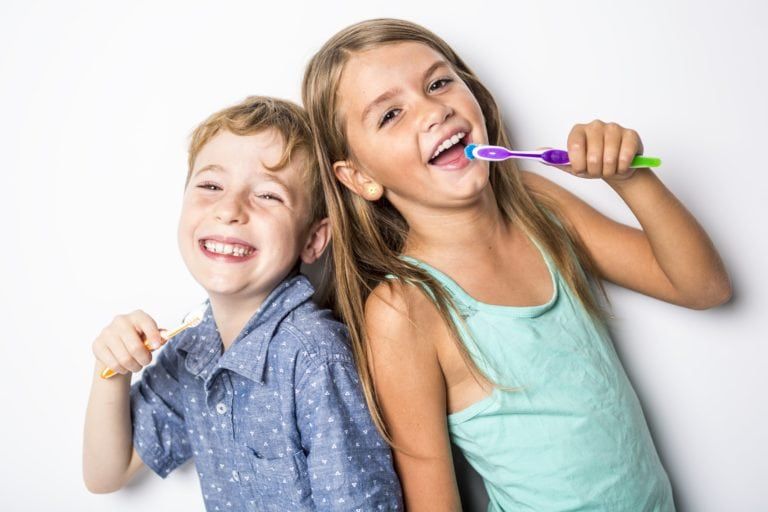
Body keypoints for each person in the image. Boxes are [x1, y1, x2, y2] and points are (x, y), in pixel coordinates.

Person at [302, 18, 731, 511]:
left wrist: (631, 178)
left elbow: (705, 288)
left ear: (476, 98)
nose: (433, 111)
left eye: (439, 83)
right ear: (358, 178)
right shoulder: (405, 310)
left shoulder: (537, 205)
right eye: (391, 114)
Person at [82, 96, 403, 511]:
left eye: (268, 196)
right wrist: (110, 371)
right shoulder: (193, 349)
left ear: (313, 239)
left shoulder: (314, 358)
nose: (229, 210)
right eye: (211, 186)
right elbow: (107, 474)